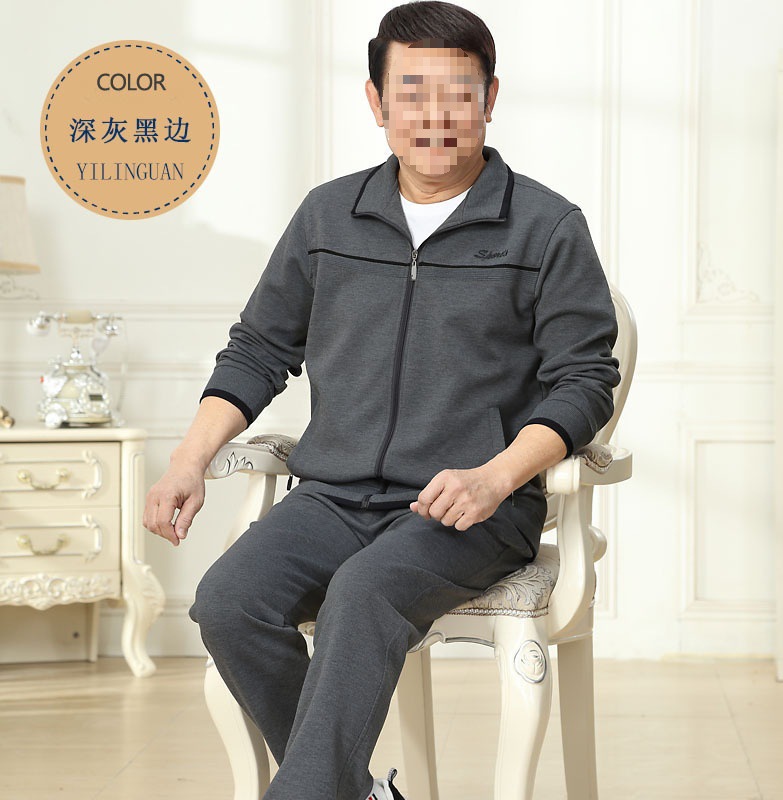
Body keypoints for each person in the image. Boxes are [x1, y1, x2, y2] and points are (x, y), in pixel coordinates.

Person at [143, 2, 621, 799]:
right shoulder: (328, 216)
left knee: (364, 591)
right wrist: (188, 460)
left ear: (490, 98)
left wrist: (497, 477)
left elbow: (585, 381)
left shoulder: (545, 226)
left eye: (458, 93)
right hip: (331, 497)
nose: (435, 116)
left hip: (467, 510)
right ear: (376, 101)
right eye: (411, 92)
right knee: (228, 600)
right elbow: (260, 349)